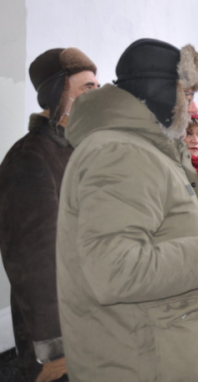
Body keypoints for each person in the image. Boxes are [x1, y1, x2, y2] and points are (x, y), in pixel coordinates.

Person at [56, 39, 198, 381]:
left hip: (160, 352)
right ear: (159, 90)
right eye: (187, 94)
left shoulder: (145, 149)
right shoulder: (121, 153)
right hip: (143, 362)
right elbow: (115, 270)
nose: (191, 106)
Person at [0, 48, 98, 382]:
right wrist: (55, 352)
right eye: (87, 87)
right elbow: (32, 264)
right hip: (62, 346)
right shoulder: (31, 157)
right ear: (58, 91)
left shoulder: (76, 151)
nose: (96, 95)